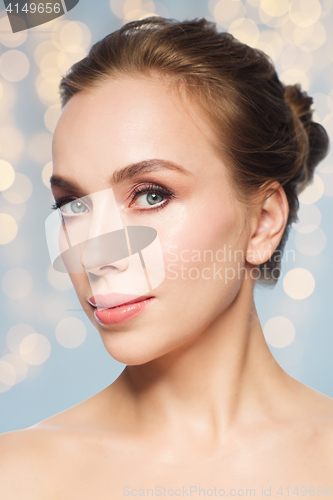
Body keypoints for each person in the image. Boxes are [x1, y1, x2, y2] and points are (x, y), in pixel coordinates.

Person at [0, 16, 332, 499]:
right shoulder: (16, 476)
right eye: (73, 205)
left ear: (262, 221)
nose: (94, 250)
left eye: (151, 195)